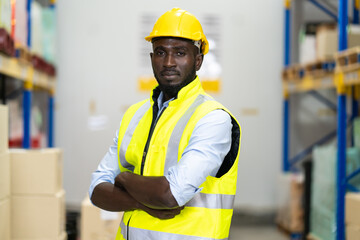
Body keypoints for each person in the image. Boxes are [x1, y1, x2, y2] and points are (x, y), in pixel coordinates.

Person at [89, 8, 241, 240]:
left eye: (180, 52)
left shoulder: (213, 118)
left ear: (198, 61)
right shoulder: (135, 115)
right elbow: (97, 190)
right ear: (151, 59)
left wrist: (124, 179)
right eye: (160, 52)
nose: (168, 62)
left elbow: (170, 195)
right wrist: (143, 204)